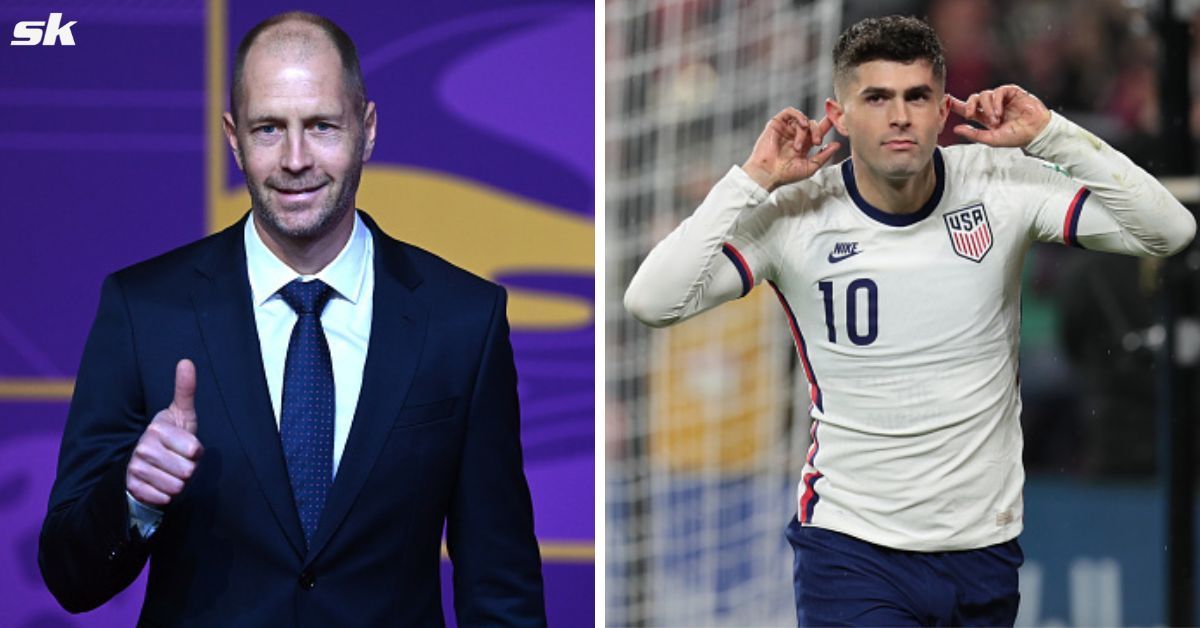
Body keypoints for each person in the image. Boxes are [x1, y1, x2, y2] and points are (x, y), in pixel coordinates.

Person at [624, 15, 1194, 626]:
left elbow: (1170, 230)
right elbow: (653, 301)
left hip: (982, 550)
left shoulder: (998, 182)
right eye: (877, 97)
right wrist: (751, 180)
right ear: (839, 115)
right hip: (852, 550)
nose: (900, 115)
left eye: (917, 96)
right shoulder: (795, 213)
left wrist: (1051, 133)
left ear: (942, 109)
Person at [38, 11, 545, 627]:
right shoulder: (144, 309)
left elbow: (501, 588)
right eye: (269, 129)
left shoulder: (464, 319)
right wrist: (134, 497)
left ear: (368, 128)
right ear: (234, 138)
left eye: (322, 126)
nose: (296, 158)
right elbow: (70, 577)